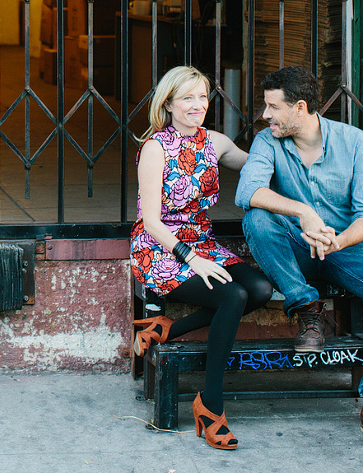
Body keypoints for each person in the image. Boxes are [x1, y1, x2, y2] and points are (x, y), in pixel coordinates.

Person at [236, 66, 363, 456]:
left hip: (345, 249)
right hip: (294, 249)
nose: (265, 115)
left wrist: (336, 242)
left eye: (272, 107)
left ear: (299, 108)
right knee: (257, 219)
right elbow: (248, 190)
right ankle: (308, 309)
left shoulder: (355, 143)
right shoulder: (268, 142)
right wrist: (303, 212)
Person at [130, 65, 274, 451]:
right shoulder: (155, 148)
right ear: (169, 104)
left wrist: (291, 147)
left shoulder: (216, 142)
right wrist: (190, 258)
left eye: (202, 96)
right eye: (187, 97)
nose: (198, 105)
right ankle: (210, 405)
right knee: (233, 296)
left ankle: (166, 329)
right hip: (161, 246)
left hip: (202, 241)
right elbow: (152, 222)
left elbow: (259, 165)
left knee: (258, 289)